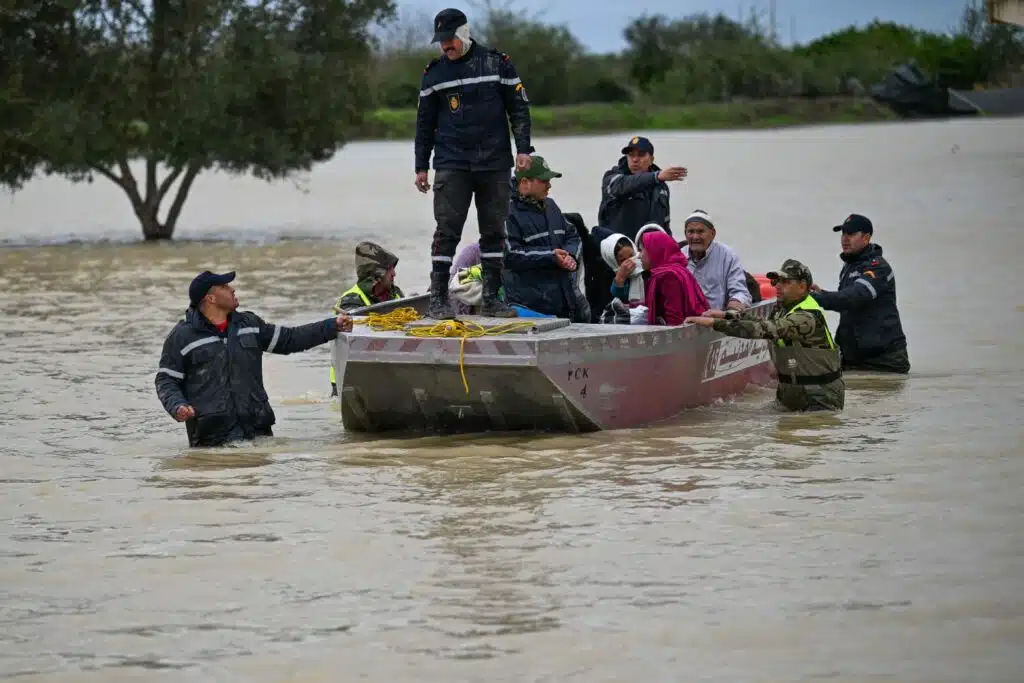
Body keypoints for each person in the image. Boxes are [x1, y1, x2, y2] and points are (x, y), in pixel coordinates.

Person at [414, 7, 532, 319]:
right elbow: (424, 124)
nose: (446, 46)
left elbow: (519, 109)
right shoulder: (434, 73)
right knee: (447, 229)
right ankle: (438, 299)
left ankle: (492, 299)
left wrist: (523, 149)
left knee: (494, 232)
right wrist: (421, 166)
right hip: (452, 162)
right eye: (441, 41)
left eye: (450, 39)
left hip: (494, 162)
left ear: (464, 34)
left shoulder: (497, 63)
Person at [155, 271, 354, 447]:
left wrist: (331, 326)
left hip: (259, 434)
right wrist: (177, 406)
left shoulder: (249, 323)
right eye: (224, 286)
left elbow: (290, 339)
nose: (232, 289)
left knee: (257, 489)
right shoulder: (182, 336)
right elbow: (166, 379)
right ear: (211, 298)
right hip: (211, 441)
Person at [685, 259, 845, 412]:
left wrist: (714, 323)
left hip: (820, 396)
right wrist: (725, 315)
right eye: (777, 282)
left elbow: (763, 329)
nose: (778, 286)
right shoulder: (784, 307)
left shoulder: (806, 316)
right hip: (791, 392)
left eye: (785, 282)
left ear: (802, 287)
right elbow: (761, 321)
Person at [811, 214, 910, 373]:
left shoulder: (878, 268)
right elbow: (846, 302)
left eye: (851, 234)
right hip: (854, 359)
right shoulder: (849, 266)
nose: (845, 239)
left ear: (866, 238)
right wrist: (822, 293)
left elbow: (855, 297)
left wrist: (817, 298)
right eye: (843, 234)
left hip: (884, 362)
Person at [502, 155, 585, 321]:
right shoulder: (506, 211)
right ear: (525, 182)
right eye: (543, 180)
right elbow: (510, 254)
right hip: (528, 307)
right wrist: (551, 256)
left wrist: (570, 256)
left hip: (562, 303)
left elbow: (572, 235)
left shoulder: (551, 206)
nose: (549, 185)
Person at [329, 241, 404, 396]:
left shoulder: (396, 294)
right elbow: (354, 338)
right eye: (390, 270)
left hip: (387, 375)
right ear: (378, 274)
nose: (394, 274)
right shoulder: (350, 301)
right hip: (349, 382)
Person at [597, 136, 687, 240]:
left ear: (651, 159)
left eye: (641, 155)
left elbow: (665, 227)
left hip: (649, 251)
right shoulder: (613, 178)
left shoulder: (661, 187)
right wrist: (656, 176)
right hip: (619, 251)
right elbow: (622, 185)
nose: (635, 160)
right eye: (631, 155)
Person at [679, 209, 752, 311]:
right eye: (691, 232)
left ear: (713, 233)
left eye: (700, 232)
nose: (695, 237)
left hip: (716, 322)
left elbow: (741, 292)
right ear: (685, 233)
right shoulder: (678, 257)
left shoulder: (727, 256)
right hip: (685, 321)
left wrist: (736, 301)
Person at [639, 231, 710, 325]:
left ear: (655, 250)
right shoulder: (675, 270)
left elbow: (674, 319)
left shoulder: (668, 276)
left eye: (642, 250)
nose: (640, 256)